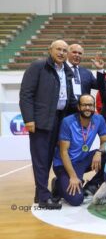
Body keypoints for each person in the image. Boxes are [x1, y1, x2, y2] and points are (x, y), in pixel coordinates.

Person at [19, 39, 77, 209]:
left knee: (52, 157)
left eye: (65, 50)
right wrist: (29, 119)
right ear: (50, 50)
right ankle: (44, 198)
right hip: (42, 120)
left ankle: (41, 193)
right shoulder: (38, 66)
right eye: (58, 49)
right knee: (41, 159)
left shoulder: (67, 71)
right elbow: (26, 94)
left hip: (61, 119)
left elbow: (70, 98)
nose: (61, 53)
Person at [52, 94, 106, 206]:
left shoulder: (99, 119)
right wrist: (73, 177)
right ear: (78, 107)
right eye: (84, 105)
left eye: (90, 105)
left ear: (94, 107)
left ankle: (92, 185)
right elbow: (63, 152)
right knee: (76, 200)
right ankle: (58, 184)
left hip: (82, 161)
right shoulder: (67, 122)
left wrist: (98, 152)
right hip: (64, 164)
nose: (88, 108)